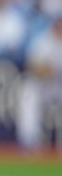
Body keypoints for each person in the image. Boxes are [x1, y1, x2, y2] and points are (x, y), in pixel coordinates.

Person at [16, 14, 62, 152]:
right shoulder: (42, 41)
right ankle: (30, 144)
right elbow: (34, 67)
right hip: (41, 85)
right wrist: (49, 71)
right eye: (58, 25)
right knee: (27, 94)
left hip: (59, 86)